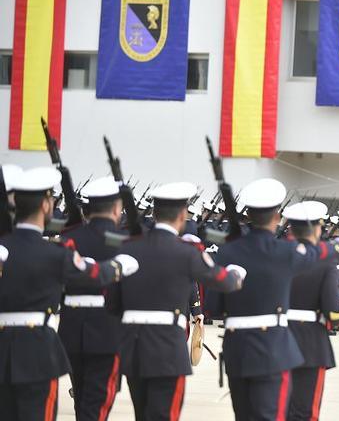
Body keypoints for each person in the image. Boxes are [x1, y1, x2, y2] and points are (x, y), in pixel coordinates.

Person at [0, 167, 138, 421]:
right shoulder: (55, 254)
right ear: (45, 205)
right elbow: (95, 274)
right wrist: (120, 266)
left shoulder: (54, 243)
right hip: (40, 348)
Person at [117, 182, 245, 421]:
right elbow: (224, 281)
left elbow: (114, 304)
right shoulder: (187, 252)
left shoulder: (128, 248)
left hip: (133, 346)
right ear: (183, 215)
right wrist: (237, 273)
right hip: (167, 347)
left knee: (141, 415)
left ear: (154, 214)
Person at [210, 178, 307, 420]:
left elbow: (214, 307)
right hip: (273, 348)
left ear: (249, 214)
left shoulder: (226, 251)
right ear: (277, 217)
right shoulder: (286, 251)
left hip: (237, 349)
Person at [57, 176, 131, 421]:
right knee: (97, 404)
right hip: (107, 330)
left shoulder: (70, 238)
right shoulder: (126, 242)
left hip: (71, 329)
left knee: (81, 399)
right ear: (116, 208)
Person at [283, 200, 339, 421]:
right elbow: (333, 313)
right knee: (305, 411)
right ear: (317, 229)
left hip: (275, 337)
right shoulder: (324, 263)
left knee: (277, 408)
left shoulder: (275, 257)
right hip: (310, 343)